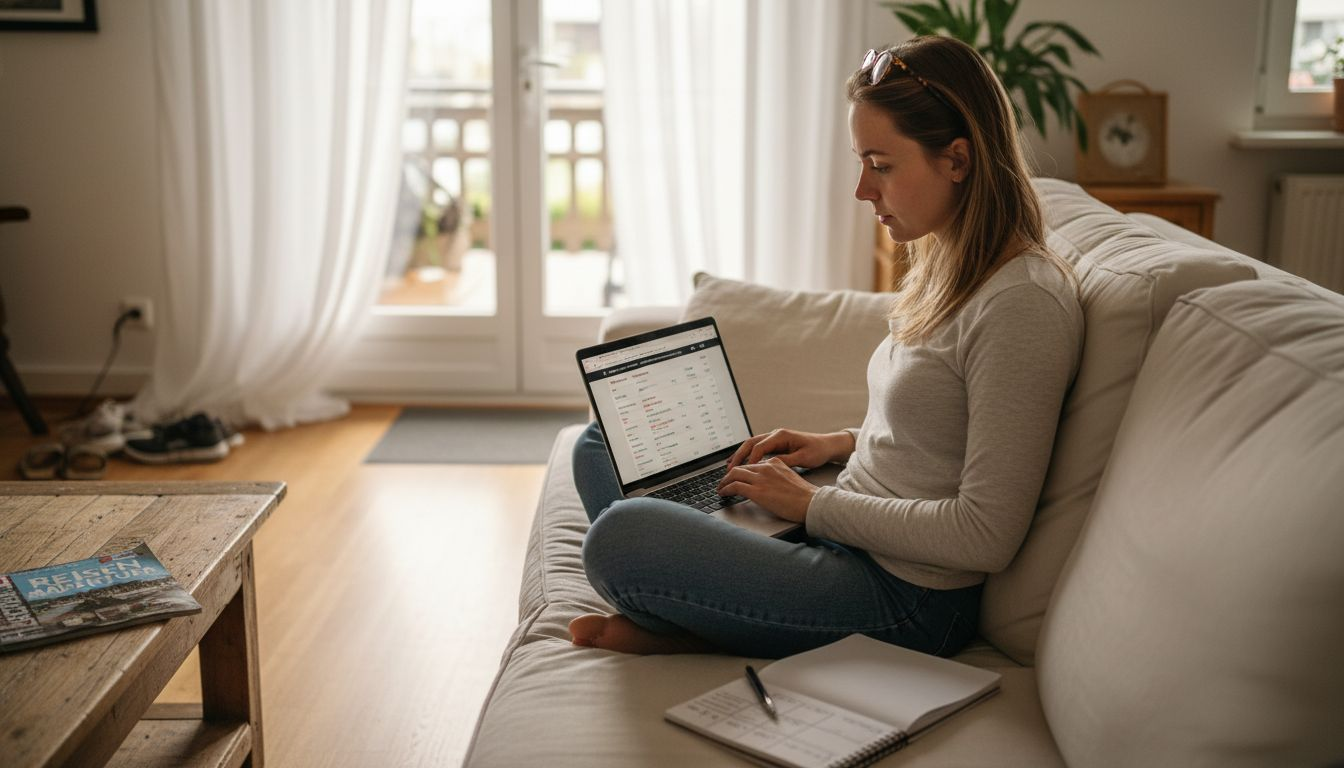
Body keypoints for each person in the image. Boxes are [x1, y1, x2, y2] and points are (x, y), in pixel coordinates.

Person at [568, 35, 1084, 659]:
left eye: (881, 164)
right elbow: (934, 434)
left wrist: (812, 505)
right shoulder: (952, 263)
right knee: (601, 443)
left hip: (906, 596)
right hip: (847, 533)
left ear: (958, 159)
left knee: (619, 537)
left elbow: (984, 534)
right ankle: (693, 598)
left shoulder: (1023, 304)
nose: (863, 189)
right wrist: (840, 443)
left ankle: (681, 616)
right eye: (861, 162)